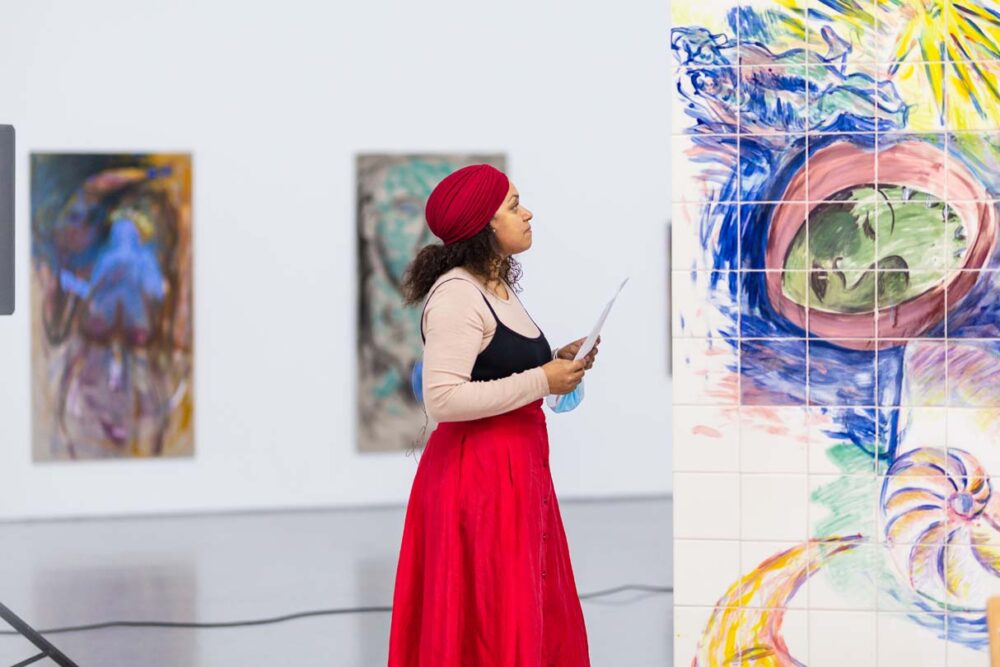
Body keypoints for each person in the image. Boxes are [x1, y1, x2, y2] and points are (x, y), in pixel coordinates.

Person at [387, 164, 596, 666]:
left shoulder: (497, 289)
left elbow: (503, 373)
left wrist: (556, 365)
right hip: (476, 480)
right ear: (484, 224)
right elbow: (443, 399)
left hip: (516, 473)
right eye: (513, 205)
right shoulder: (459, 295)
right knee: (486, 616)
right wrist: (541, 380)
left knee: (515, 610)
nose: (528, 214)